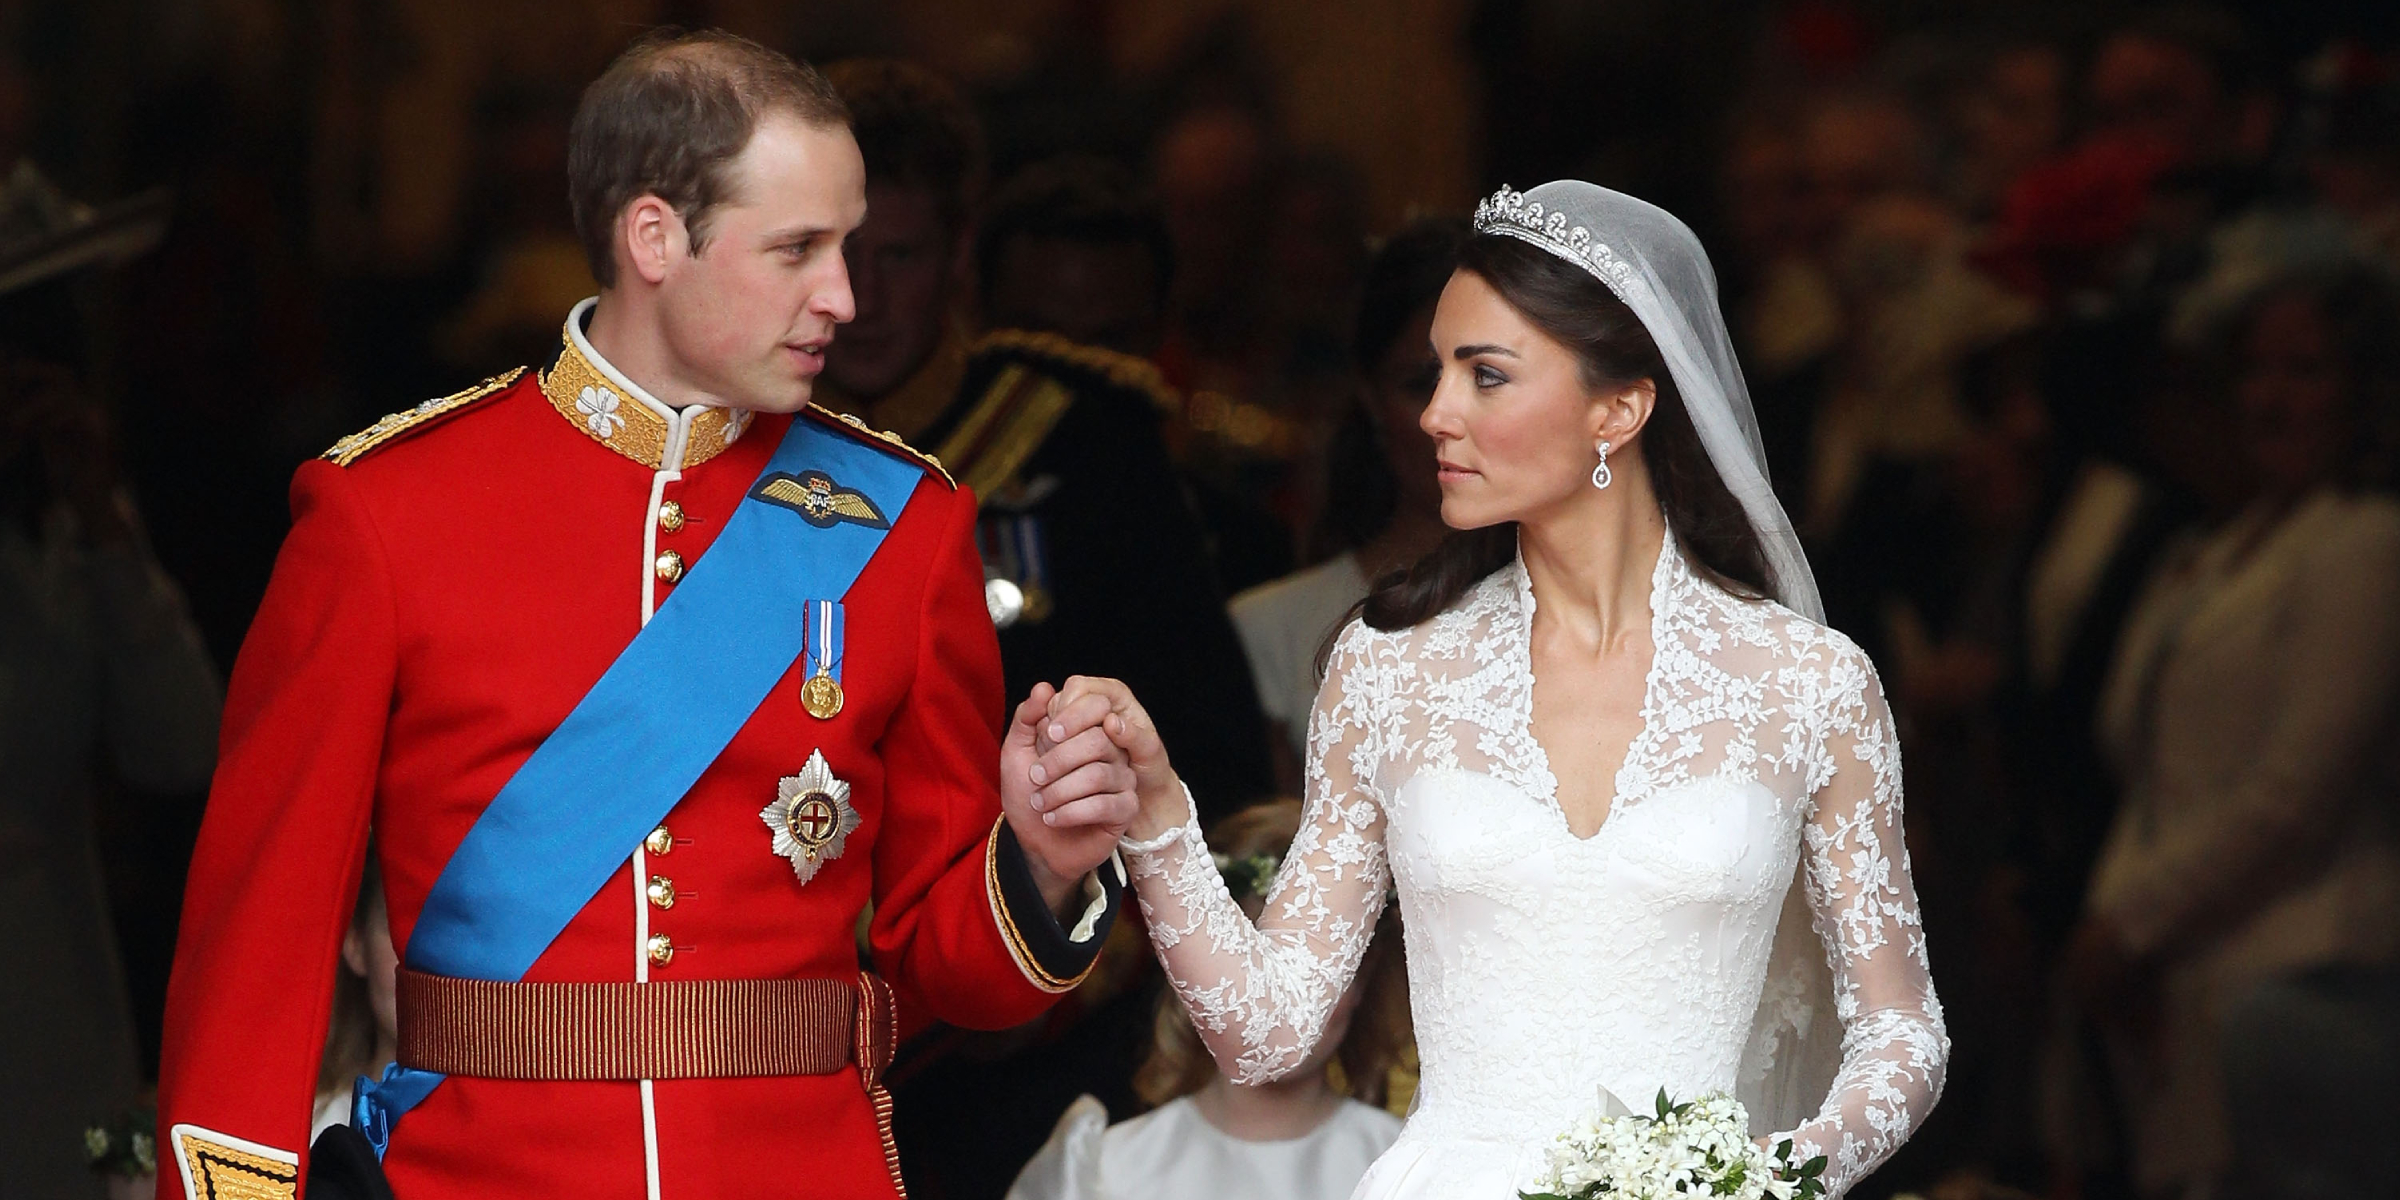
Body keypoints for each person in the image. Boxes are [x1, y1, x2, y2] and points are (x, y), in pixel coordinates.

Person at [153, 31, 1139, 1200]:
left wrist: (1039, 865)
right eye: (798, 250)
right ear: (654, 237)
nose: (846, 297)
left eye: (851, 244)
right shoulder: (385, 512)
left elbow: (952, 971)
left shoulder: (903, 524)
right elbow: (254, 956)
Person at [1028, 181, 1948, 1199]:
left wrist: (1770, 1179)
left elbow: (1900, 1031)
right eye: (1433, 375)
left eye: (1486, 376)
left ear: (1621, 407)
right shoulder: (1389, 668)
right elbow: (1266, 1032)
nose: (1435, 415)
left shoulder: (1811, 682)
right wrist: (1158, 815)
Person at [2066, 265, 2400, 1200]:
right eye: (2257, 371)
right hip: (2184, 977)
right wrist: (2121, 936)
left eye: (2307, 371)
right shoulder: (2204, 554)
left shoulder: (2364, 542)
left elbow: (2295, 795)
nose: (2275, 400)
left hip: (2307, 968)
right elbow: (2153, 775)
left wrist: (2131, 926)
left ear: (2362, 388)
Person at [921, 156, 1273, 822]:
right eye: (1038, 346)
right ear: (973, 318)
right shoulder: (920, 510)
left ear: (1160, 333)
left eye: (1107, 345)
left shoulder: (1236, 541)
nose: (1068, 393)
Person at [1006, 800, 1406, 1200]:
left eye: (1320, 968)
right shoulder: (1105, 1170)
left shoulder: (1407, 1172)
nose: (1282, 997)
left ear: (1363, 978)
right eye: (1254, 957)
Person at [1231, 219, 1462, 773]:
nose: (1450, 416)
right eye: (1421, 383)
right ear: (1370, 398)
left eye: (1490, 377)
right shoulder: (1276, 626)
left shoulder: (1598, 611)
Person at [815, 59, 984, 442]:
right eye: (841, 256)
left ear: (959, 252)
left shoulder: (1056, 431)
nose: (864, 301)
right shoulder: (722, 429)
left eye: (899, 258)